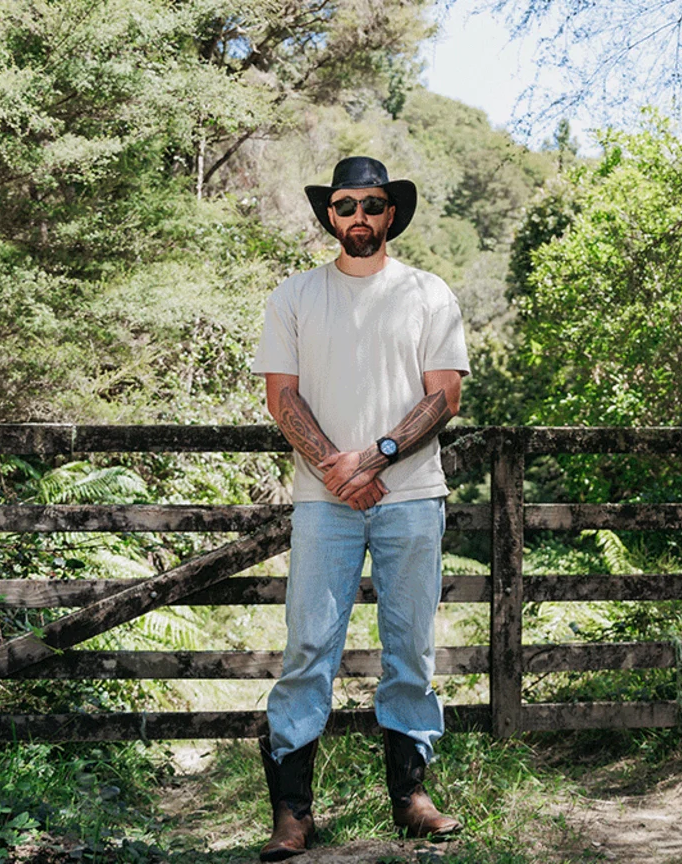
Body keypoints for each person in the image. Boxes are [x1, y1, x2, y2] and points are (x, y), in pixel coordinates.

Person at [249, 156, 469, 861]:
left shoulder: (430, 295)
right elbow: (282, 397)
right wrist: (337, 474)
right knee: (309, 648)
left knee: (411, 649)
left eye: (373, 206)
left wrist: (371, 458)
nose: (360, 218)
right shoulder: (293, 297)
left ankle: (411, 798)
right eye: (346, 205)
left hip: (411, 498)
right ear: (330, 215)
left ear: (392, 214)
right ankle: (292, 814)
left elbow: (444, 397)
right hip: (322, 504)